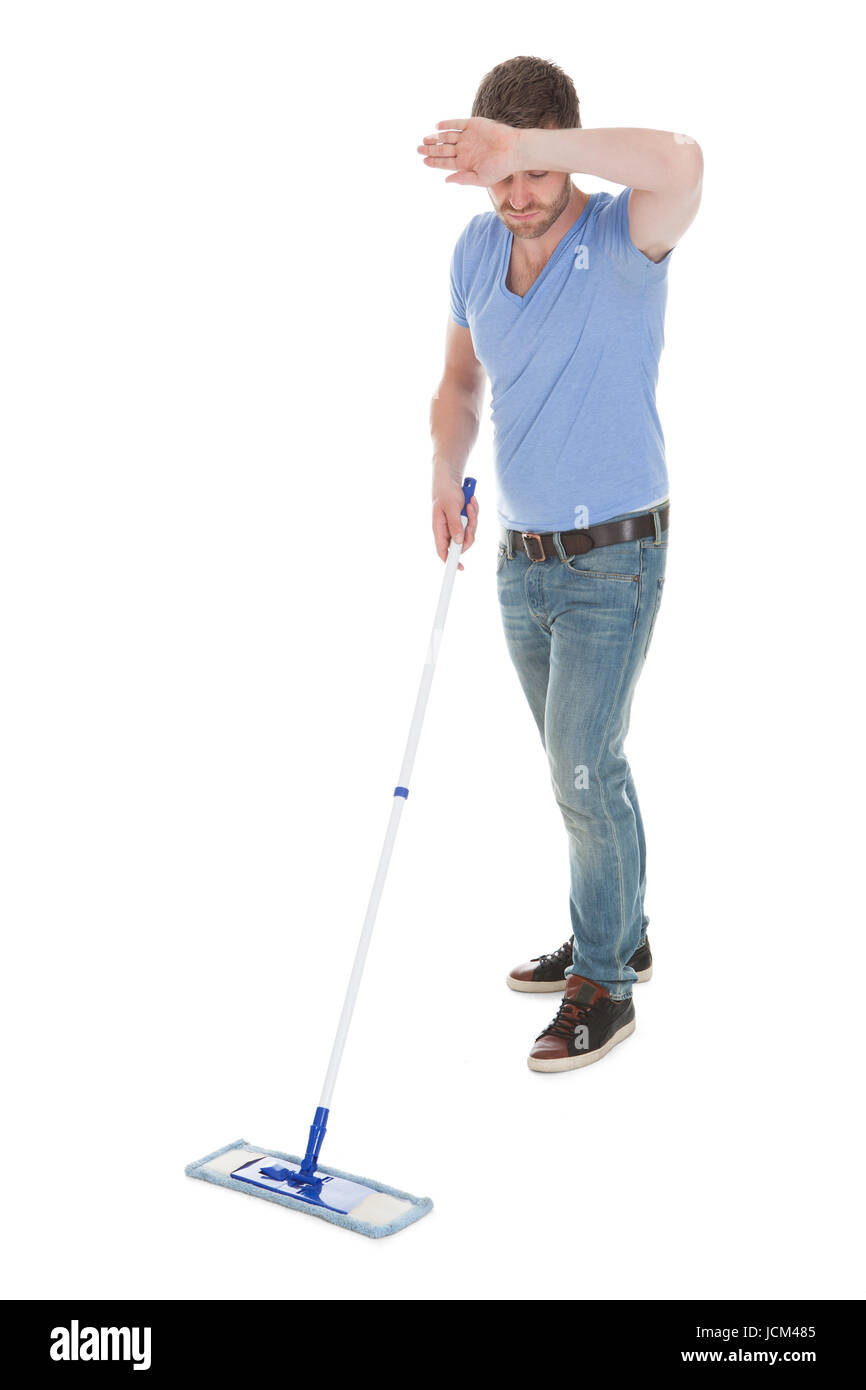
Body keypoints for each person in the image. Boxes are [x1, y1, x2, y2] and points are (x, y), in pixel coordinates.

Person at [421, 55, 702, 1073]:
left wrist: (526, 143)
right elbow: (457, 384)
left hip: (613, 557)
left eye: (529, 171)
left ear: (557, 157)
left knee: (584, 764)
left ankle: (604, 983)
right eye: (496, 176)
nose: (515, 196)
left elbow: (683, 161)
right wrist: (444, 472)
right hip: (519, 561)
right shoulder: (470, 250)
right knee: (576, 767)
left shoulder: (621, 233)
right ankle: (614, 927)